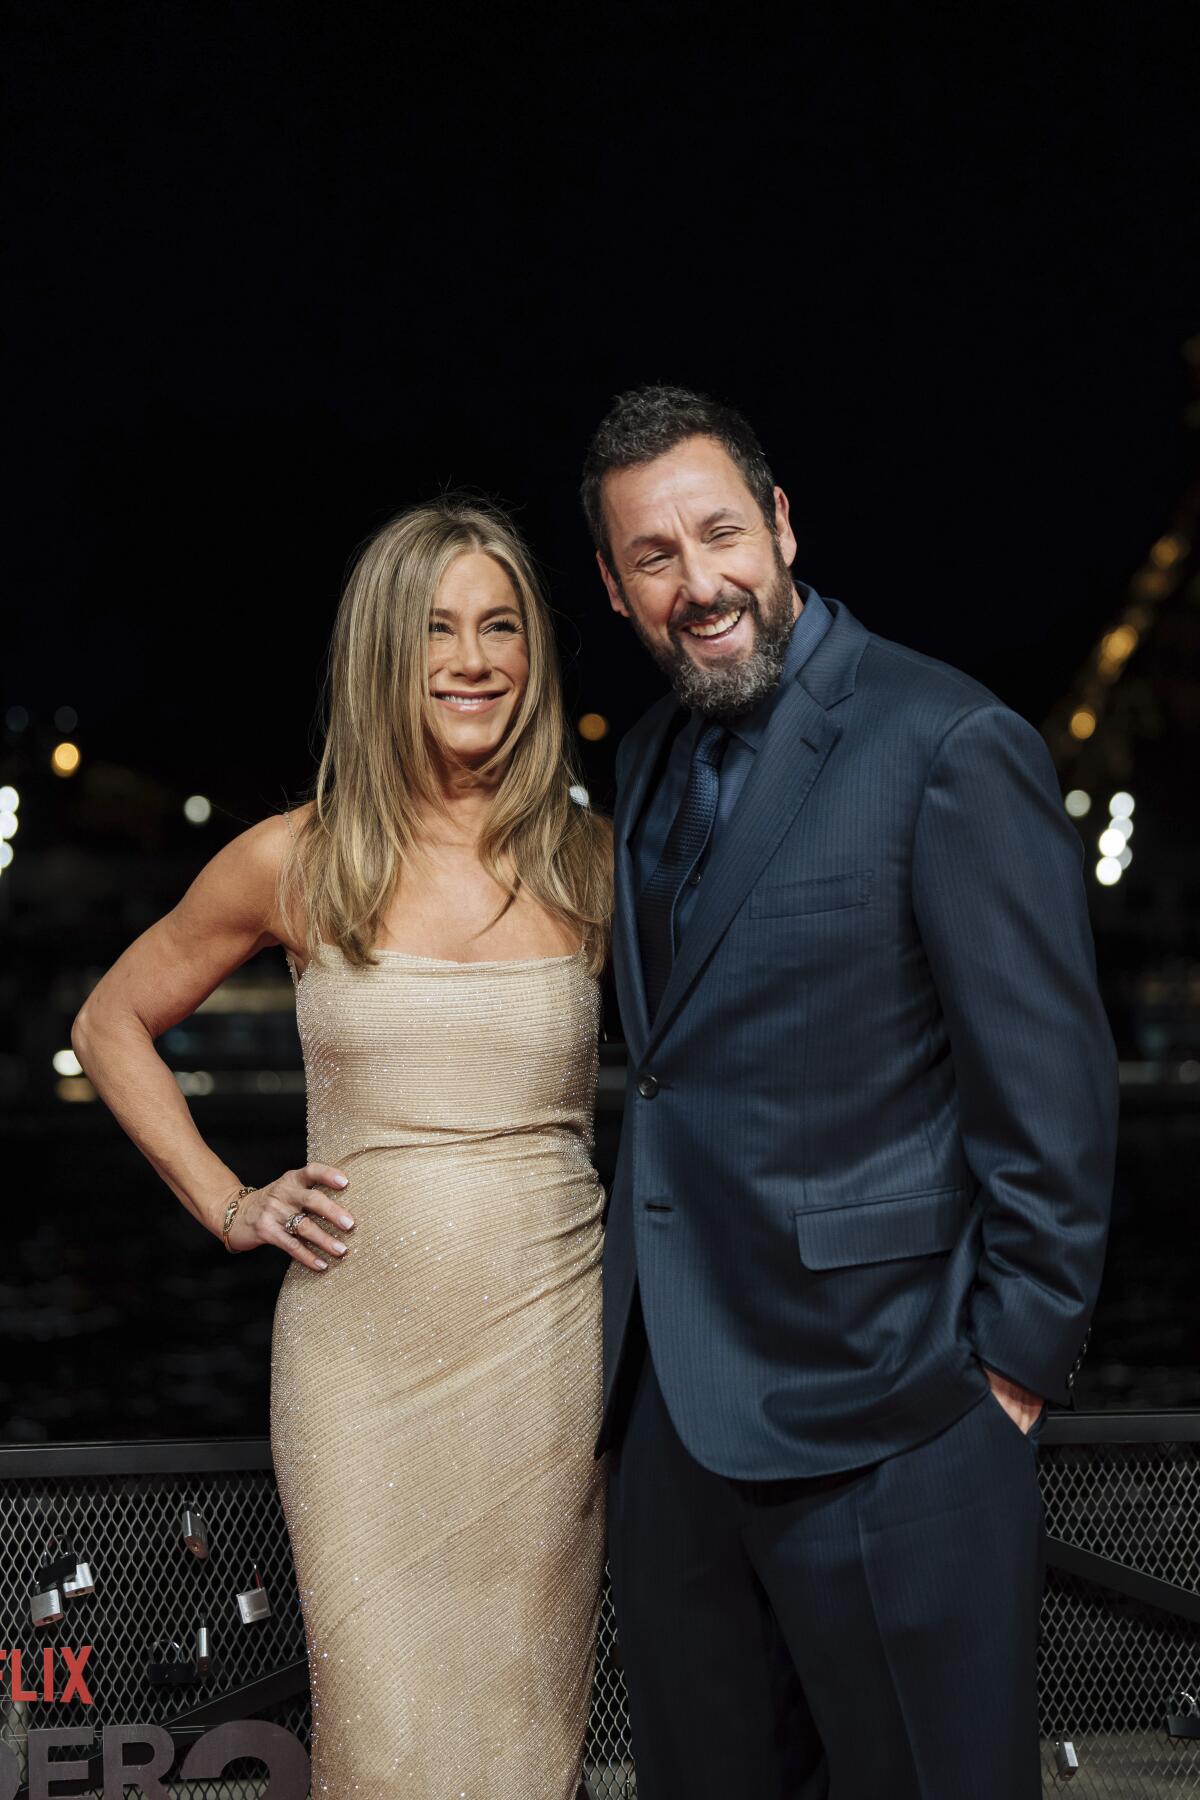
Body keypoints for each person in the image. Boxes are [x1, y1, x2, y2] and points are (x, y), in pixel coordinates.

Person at [580, 385, 1118, 1800]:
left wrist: (1007, 1374)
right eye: (653, 555)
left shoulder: (943, 741)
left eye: (719, 536)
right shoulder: (638, 763)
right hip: (678, 1449)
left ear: (782, 524)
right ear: (614, 585)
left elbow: (1051, 1094)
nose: (699, 585)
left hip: (896, 1425)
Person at [71, 497, 612, 1798]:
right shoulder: (296, 859)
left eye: (501, 627)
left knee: (523, 1742)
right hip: (358, 1370)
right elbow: (109, 1023)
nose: (474, 659)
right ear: (384, 652)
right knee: (380, 1736)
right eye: (437, 629)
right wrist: (227, 1201)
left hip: (551, 1361)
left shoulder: (593, 861)